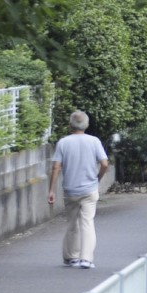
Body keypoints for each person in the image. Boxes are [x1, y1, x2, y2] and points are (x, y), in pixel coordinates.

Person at [48, 109, 109, 269]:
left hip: (70, 190)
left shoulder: (63, 142)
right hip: (90, 189)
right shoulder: (94, 141)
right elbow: (104, 163)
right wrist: (98, 178)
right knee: (87, 223)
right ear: (86, 124)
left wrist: (51, 190)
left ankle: (71, 257)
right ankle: (86, 259)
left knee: (72, 223)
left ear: (70, 125)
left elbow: (56, 167)